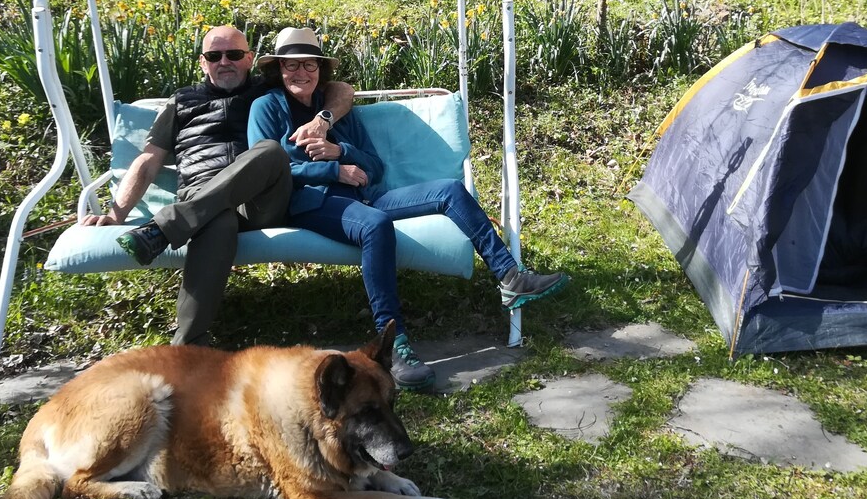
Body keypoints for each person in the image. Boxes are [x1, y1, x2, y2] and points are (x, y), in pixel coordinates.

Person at [247, 27, 570, 392]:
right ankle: (394, 345)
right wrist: (332, 169)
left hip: (366, 195)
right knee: (375, 225)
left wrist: (343, 153)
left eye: (309, 64)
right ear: (278, 69)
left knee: (449, 190)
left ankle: (511, 277)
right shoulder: (267, 107)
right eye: (291, 66)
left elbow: (375, 166)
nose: (300, 73)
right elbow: (269, 170)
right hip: (313, 203)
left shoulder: (333, 110)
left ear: (320, 69)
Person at [82, 25, 354, 345]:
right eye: (214, 55)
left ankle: (165, 229)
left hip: (260, 200)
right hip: (202, 198)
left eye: (234, 54)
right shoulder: (180, 102)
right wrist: (115, 214)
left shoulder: (267, 91)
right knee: (218, 219)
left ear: (250, 58)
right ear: (203, 62)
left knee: (269, 151)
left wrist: (322, 118)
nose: (224, 61)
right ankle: (188, 346)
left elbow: (341, 88)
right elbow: (147, 161)